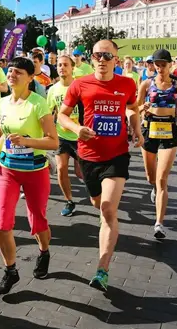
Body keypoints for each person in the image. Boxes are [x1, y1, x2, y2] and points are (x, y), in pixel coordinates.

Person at [58, 39, 142, 292]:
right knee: (98, 204)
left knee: (107, 208)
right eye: (97, 56)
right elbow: (61, 115)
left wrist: (137, 130)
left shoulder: (127, 83)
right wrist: (76, 128)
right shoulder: (79, 84)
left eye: (107, 56)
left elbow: (132, 108)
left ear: (116, 59)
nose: (102, 60)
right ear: (91, 58)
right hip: (88, 156)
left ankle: (102, 270)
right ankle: (109, 226)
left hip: (117, 155)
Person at [0, 57, 58, 294]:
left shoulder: (38, 104)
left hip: (35, 171)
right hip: (7, 170)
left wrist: (27, 141)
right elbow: (6, 135)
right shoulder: (3, 103)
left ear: (30, 78)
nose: (12, 75)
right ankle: (10, 271)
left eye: (18, 72)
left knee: (37, 222)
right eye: (10, 71)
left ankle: (44, 251)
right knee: (1, 224)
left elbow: (52, 140)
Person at [137, 49, 177, 239]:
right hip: (149, 130)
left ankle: (159, 223)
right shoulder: (146, 83)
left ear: (170, 65)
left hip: (169, 131)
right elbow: (134, 106)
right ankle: (153, 187)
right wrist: (142, 108)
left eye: (163, 64)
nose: (160, 68)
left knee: (162, 180)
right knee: (150, 177)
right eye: (157, 64)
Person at [47, 54, 84, 217]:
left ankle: (98, 196)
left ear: (72, 68)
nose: (62, 67)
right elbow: (49, 113)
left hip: (80, 136)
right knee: (61, 169)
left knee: (81, 172)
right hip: (61, 136)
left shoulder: (80, 87)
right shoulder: (53, 90)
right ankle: (69, 201)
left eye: (65, 65)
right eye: (59, 65)